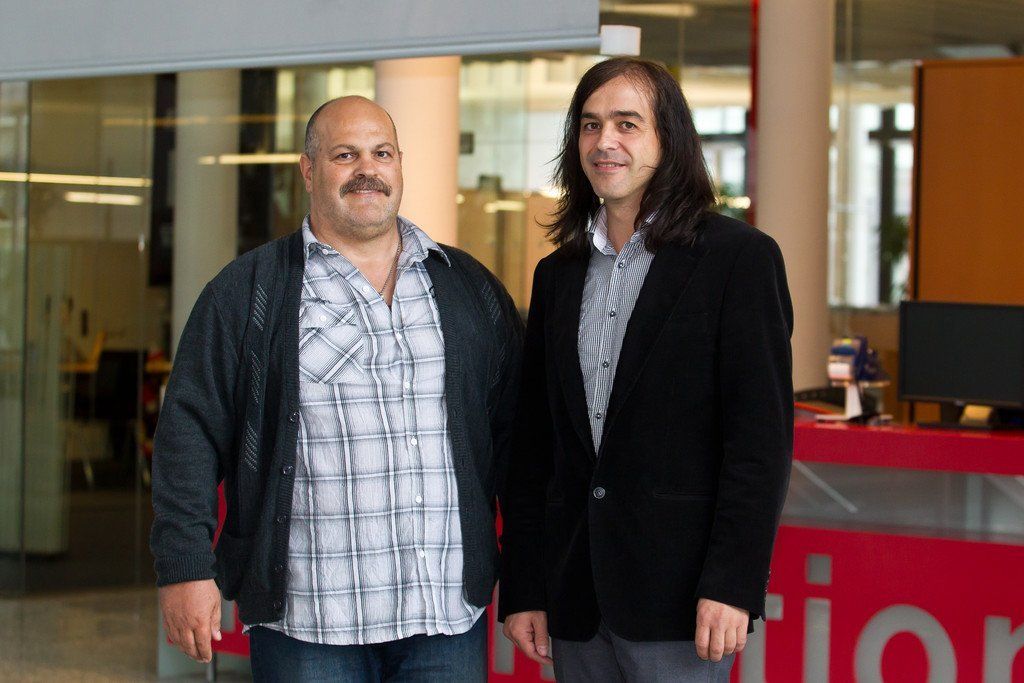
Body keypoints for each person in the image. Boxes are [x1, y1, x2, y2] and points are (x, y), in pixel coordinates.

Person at [151, 96, 522, 682]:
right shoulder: (248, 292)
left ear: (400, 164)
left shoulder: (467, 287)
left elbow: (518, 441)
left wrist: (528, 580)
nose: (367, 170)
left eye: (382, 153)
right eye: (345, 155)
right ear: (308, 170)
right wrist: (185, 567)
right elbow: (188, 432)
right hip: (309, 624)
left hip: (445, 617)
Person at [498, 57, 794, 682]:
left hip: (683, 601)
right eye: (590, 124)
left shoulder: (739, 260)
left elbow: (759, 444)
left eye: (627, 124)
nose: (604, 141)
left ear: (669, 140)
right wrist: (525, 584)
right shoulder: (557, 275)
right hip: (575, 597)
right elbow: (535, 449)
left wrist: (733, 583)